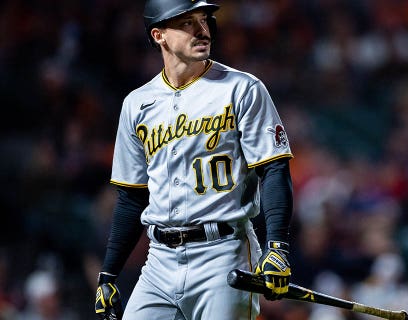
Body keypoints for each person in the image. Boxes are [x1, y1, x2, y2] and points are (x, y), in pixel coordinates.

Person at [93, 1, 294, 319]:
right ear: (159, 35)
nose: (202, 30)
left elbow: (274, 168)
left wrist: (277, 248)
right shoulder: (137, 103)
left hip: (224, 253)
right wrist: (108, 275)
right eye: (187, 22)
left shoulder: (242, 89)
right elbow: (132, 196)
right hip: (158, 261)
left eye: (203, 20)